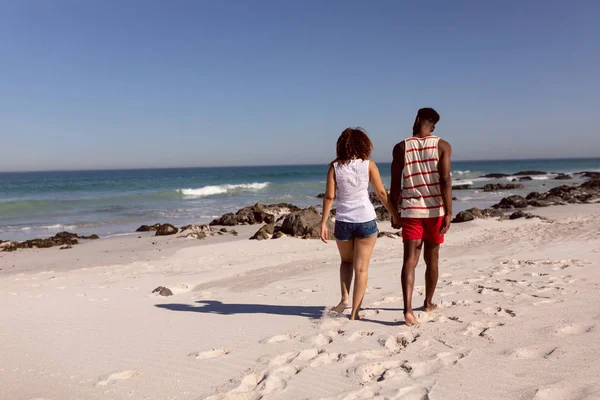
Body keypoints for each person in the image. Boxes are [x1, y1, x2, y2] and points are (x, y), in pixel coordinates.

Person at [320, 128, 400, 321]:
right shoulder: (369, 165)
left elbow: (330, 196)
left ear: (341, 145)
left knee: (346, 262)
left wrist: (323, 222)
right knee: (362, 268)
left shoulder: (335, 167)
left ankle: (344, 299)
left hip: (343, 222)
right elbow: (381, 193)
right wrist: (394, 215)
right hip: (365, 220)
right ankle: (355, 312)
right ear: (364, 145)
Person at [390, 108, 452, 327]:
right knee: (432, 259)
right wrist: (449, 212)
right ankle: (427, 302)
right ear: (433, 126)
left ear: (416, 120)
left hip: (410, 211)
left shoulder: (400, 147)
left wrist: (394, 212)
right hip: (435, 211)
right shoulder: (443, 146)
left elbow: (395, 186)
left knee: (410, 260)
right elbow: (445, 180)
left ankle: (408, 310)